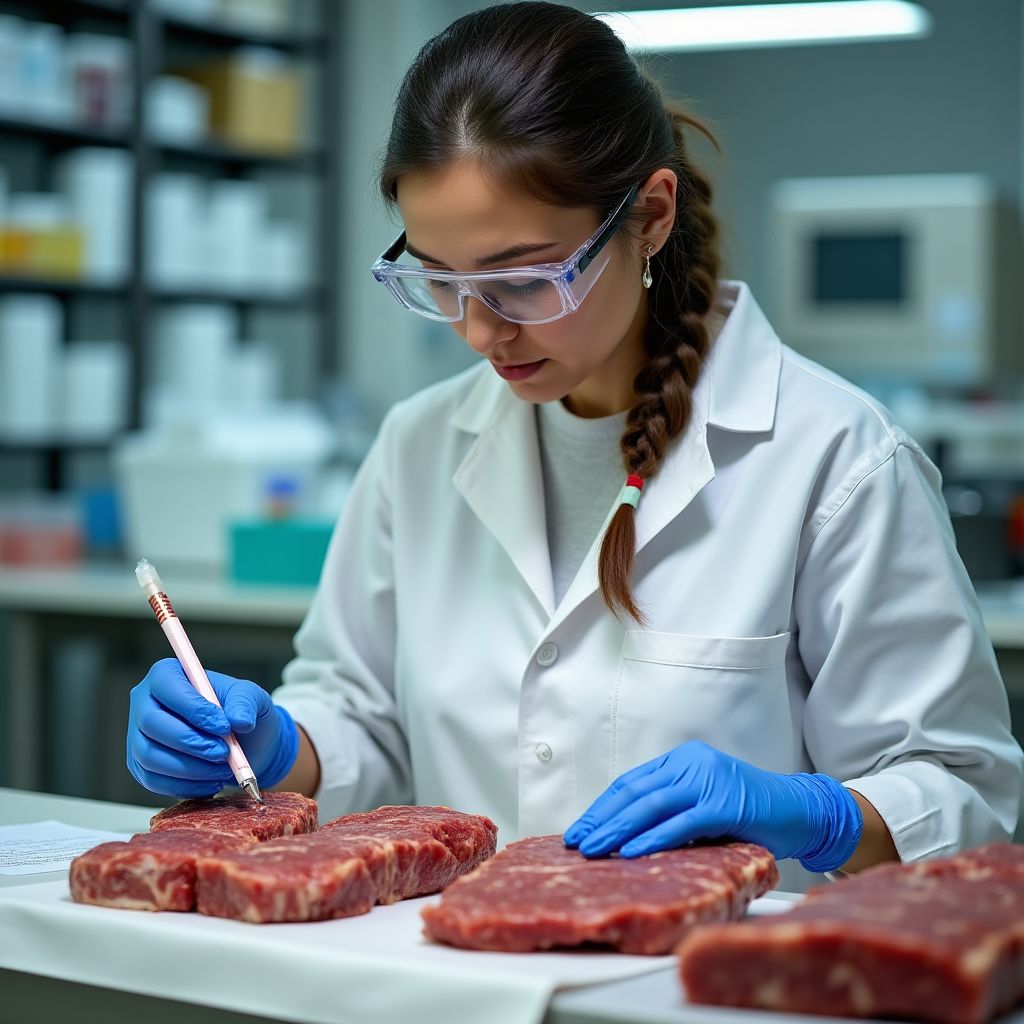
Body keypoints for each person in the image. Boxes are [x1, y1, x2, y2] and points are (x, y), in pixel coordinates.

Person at [125, 1, 1023, 892]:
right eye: (441, 279)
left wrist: (820, 816)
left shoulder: (834, 456)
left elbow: (967, 797)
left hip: (711, 967)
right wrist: (280, 744)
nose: (480, 332)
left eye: (522, 279)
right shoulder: (418, 446)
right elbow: (365, 721)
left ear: (652, 215)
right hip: (448, 955)